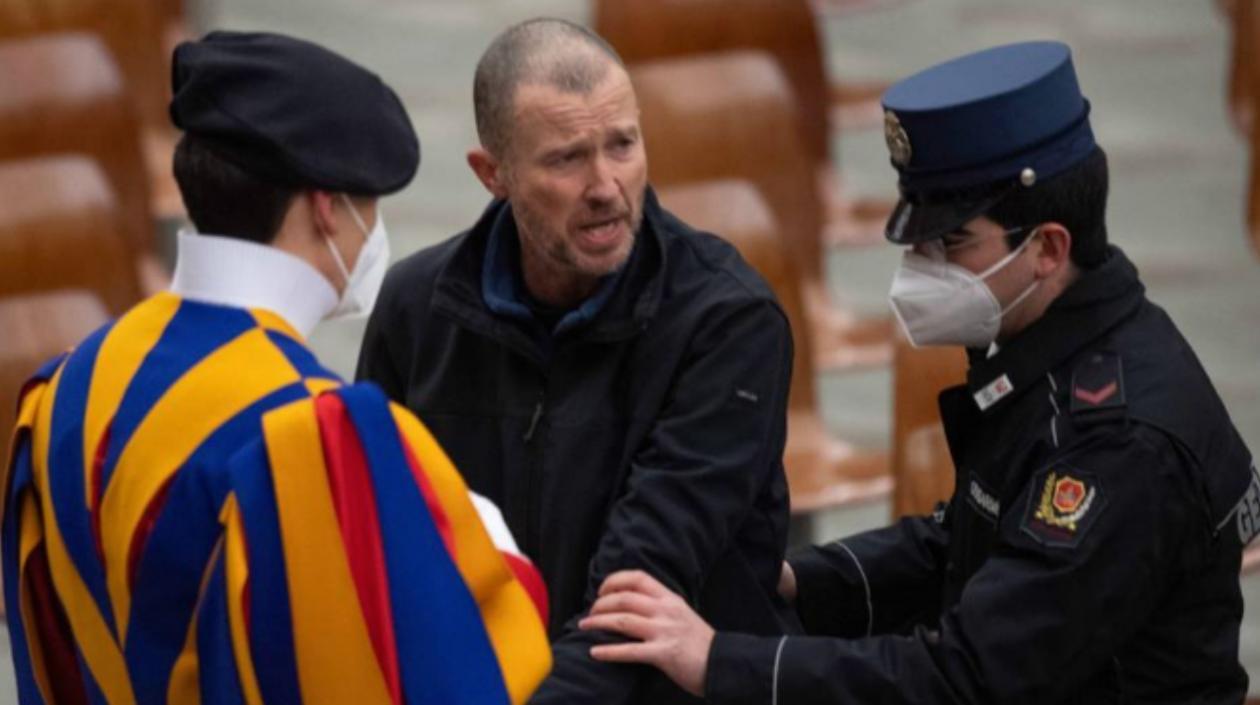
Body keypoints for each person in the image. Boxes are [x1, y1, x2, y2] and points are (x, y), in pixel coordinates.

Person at [579, 41, 1260, 703]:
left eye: (952, 243)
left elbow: (968, 676)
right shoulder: (1056, 347)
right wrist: (795, 580)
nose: (921, 269)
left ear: (1048, 246)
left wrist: (721, 662)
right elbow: (966, 541)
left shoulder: (1118, 441)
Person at [1, 31, 551, 705]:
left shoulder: (70, 383)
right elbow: (450, 677)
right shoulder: (309, 436)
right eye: (369, 205)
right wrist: (495, 549)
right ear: (328, 208)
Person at [356, 17, 799, 704]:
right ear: (492, 173)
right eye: (566, 158)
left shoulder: (727, 322)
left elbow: (637, 590)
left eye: (622, 144)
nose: (606, 185)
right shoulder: (418, 310)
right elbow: (381, 548)